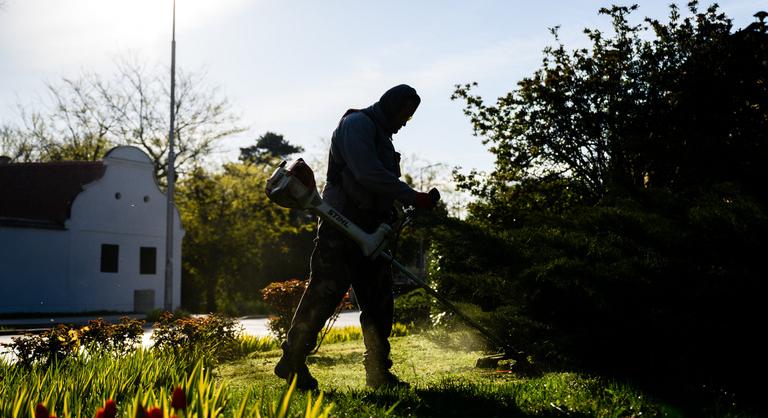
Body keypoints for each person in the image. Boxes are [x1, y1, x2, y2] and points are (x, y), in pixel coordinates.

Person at [274, 84, 440, 390]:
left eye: (411, 117)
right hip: (341, 229)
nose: (405, 122)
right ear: (391, 106)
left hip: (371, 233)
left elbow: (383, 183)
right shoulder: (356, 125)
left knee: (379, 303)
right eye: (404, 114)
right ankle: (293, 362)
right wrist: (412, 196)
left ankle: (377, 372)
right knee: (323, 296)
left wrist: (400, 206)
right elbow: (368, 174)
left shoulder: (384, 137)